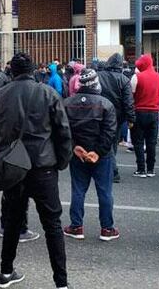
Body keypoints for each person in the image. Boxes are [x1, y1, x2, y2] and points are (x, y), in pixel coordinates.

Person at [0, 52, 72, 289]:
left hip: (12, 168)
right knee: (52, 224)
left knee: (12, 221)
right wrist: (62, 162)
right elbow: (63, 131)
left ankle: (5, 272)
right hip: (43, 168)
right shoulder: (48, 93)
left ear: (11, 71)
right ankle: (61, 283)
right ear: (33, 70)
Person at [62, 69, 119, 242]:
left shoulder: (68, 103)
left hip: (78, 153)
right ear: (96, 83)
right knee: (105, 191)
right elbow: (110, 132)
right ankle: (107, 229)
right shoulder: (106, 104)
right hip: (102, 155)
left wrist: (74, 147)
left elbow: (63, 130)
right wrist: (99, 152)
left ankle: (76, 226)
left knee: (78, 190)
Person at [98, 53, 135, 183]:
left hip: (100, 114)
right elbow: (128, 102)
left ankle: (109, 170)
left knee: (104, 142)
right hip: (118, 116)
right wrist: (131, 118)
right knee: (112, 143)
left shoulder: (99, 76)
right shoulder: (124, 79)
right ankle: (112, 170)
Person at [130, 54, 159, 177]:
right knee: (151, 142)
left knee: (138, 141)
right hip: (154, 113)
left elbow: (131, 96)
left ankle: (141, 169)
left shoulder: (136, 77)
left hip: (139, 112)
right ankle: (151, 169)